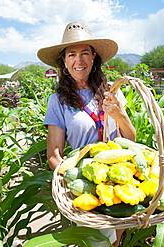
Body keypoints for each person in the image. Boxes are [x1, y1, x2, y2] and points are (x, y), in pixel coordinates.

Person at [37, 21, 136, 247]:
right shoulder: (58, 101)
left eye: (84, 53)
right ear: (64, 61)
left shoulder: (112, 92)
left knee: (115, 240)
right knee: (97, 242)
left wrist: (119, 114)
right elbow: (54, 154)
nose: (78, 60)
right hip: (88, 179)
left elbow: (131, 140)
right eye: (71, 54)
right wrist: (76, 178)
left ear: (94, 58)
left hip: (120, 178)